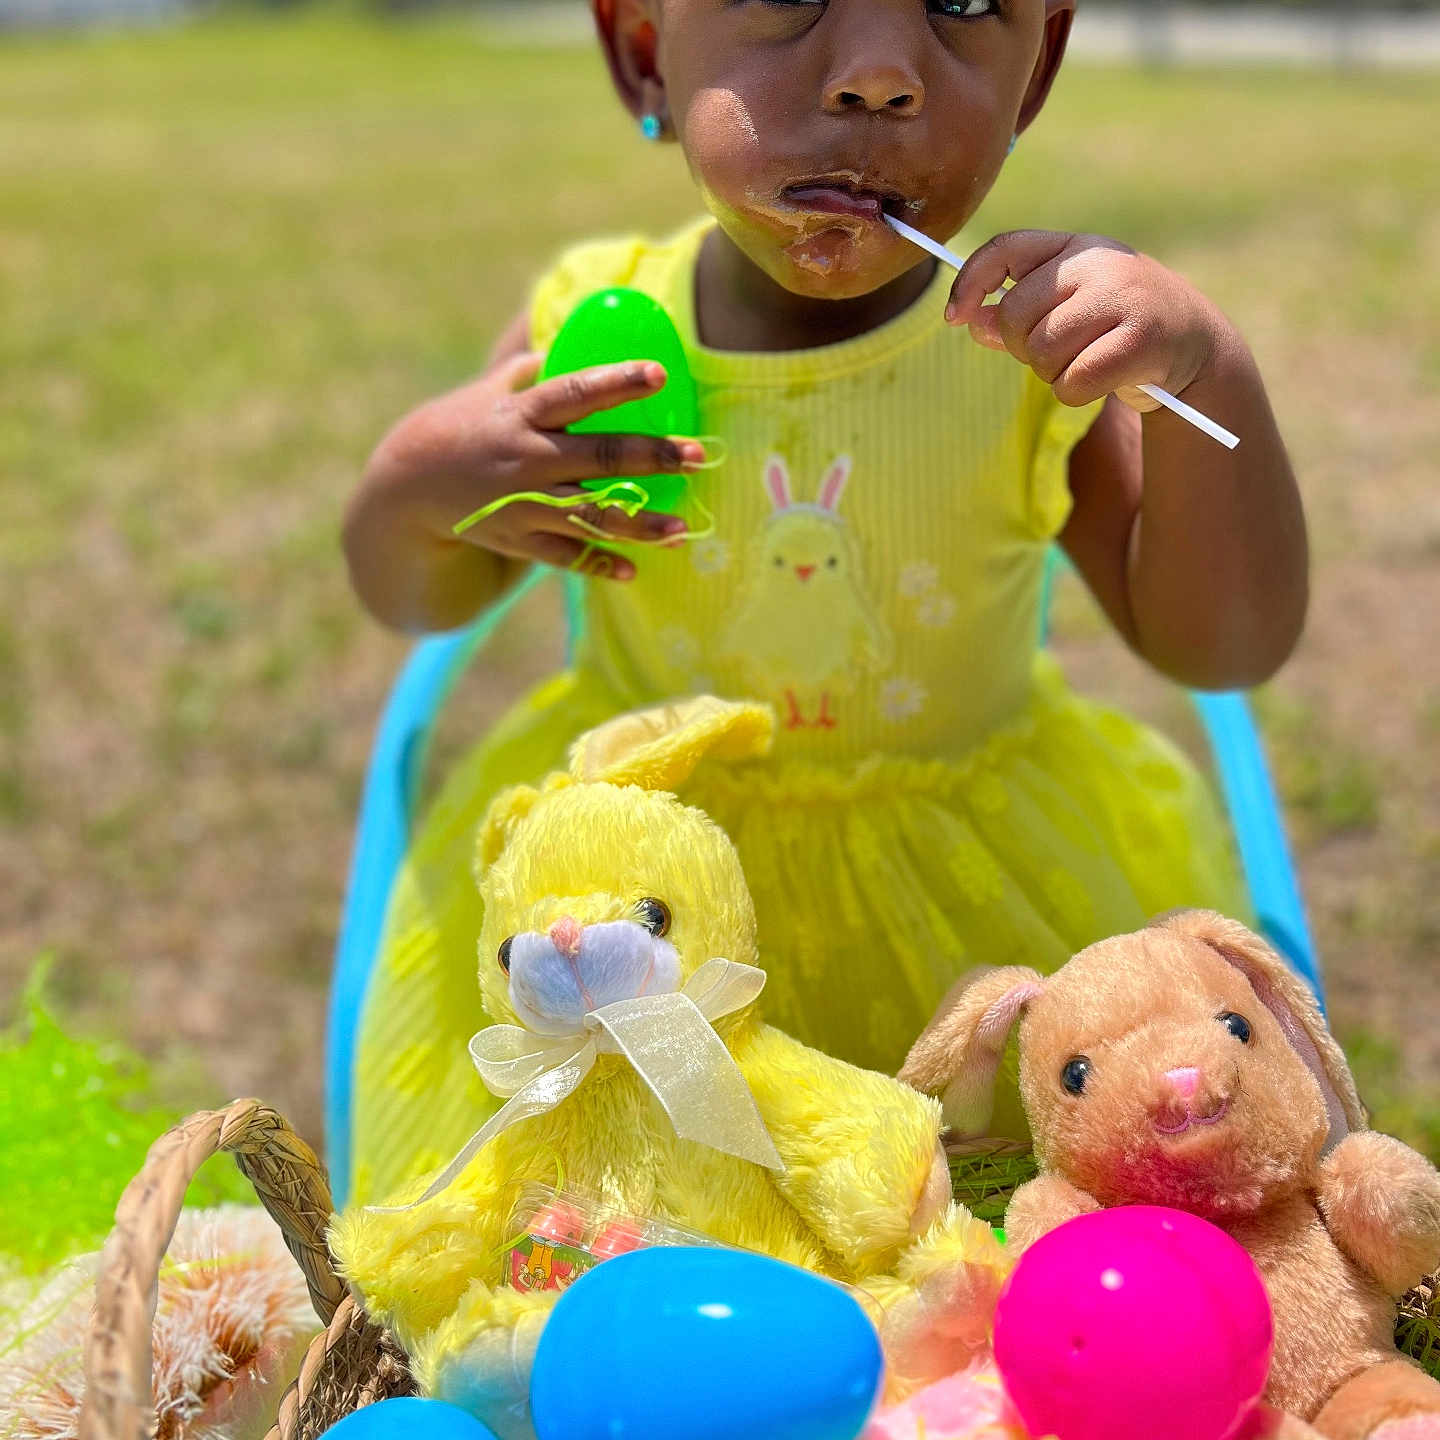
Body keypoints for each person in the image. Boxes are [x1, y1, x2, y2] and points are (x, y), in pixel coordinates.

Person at [339, 0, 1305, 1204]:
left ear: (1038, 65)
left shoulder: (1020, 359)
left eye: (961, 4)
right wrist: (415, 491)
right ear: (643, 47)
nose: (881, 73)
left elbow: (1222, 641)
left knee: (997, 1217)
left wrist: (1208, 377)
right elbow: (425, 598)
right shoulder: (595, 330)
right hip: (649, 931)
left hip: (972, 922)